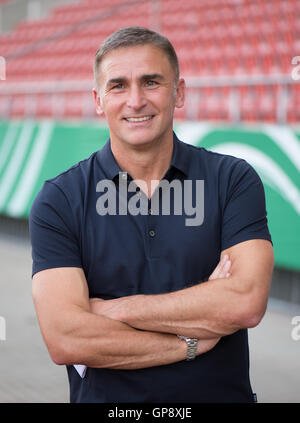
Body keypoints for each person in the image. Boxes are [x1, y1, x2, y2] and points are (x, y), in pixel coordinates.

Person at [29, 26, 274, 403]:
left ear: (179, 92)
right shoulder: (59, 200)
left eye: (151, 82)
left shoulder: (232, 180)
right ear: (98, 100)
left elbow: (245, 302)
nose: (136, 100)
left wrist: (111, 310)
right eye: (118, 86)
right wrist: (192, 343)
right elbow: (66, 338)